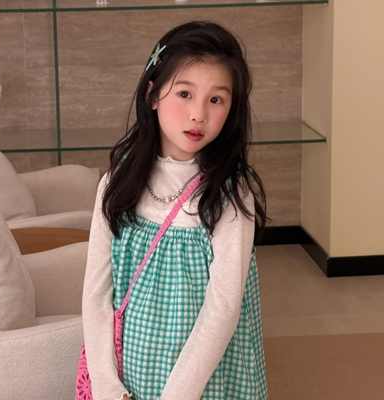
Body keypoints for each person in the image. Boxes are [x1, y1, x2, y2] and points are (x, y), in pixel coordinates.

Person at [82, 20, 268, 400]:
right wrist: (105, 385)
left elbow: (222, 309)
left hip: (206, 380)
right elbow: (97, 293)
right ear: (152, 94)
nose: (198, 114)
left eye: (216, 99)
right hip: (130, 375)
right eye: (185, 93)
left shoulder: (231, 193)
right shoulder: (118, 181)